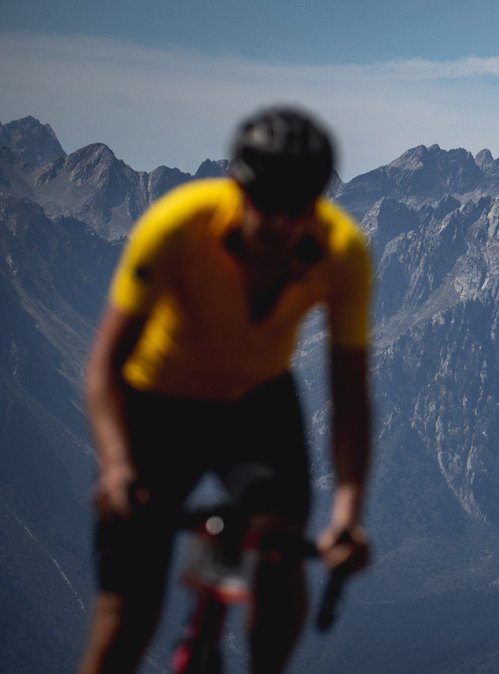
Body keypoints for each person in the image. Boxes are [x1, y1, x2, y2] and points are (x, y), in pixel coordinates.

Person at [78, 107, 372, 674]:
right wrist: (116, 467)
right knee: (125, 621)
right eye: (269, 207)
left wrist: (347, 514)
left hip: (255, 404)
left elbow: (352, 396)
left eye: (299, 208)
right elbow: (104, 367)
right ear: (239, 189)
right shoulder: (177, 225)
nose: (283, 226)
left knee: (282, 555)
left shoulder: (342, 252)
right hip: (155, 403)